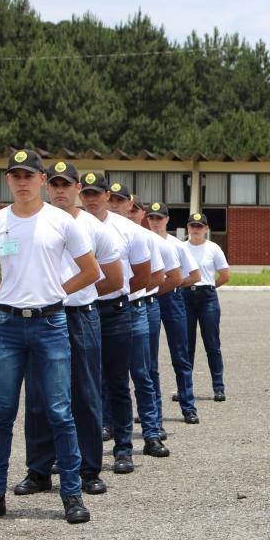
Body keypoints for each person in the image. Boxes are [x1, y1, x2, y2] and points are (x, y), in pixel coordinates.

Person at [0, 149, 99, 524]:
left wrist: (56, 293)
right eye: (16, 175)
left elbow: (90, 271)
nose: (22, 182)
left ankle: (71, 495)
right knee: (3, 413)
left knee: (60, 411)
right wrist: (10, 293)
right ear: (8, 180)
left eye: (29, 176)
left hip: (51, 324)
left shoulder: (61, 221)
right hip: (8, 327)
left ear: (42, 180)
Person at [15, 162, 122, 499]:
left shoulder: (93, 227)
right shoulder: (33, 223)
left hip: (80, 317)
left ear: (78, 188)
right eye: (55, 184)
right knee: (38, 395)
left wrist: (75, 295)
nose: (60, 191)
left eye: (67, 185)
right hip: (41, 318)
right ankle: (39, 470)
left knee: (85, 395)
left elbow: (114, 279)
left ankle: (88, 470)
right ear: (47, 186)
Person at [79, 172, 162, 474]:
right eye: (87, 193)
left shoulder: (129, 230)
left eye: (98, 194)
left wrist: (116, 293)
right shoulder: (70, 225)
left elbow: (143, 276)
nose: (93, 199)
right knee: (84, 385)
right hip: (81, 311)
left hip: (115, 311)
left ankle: (124, 449)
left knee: (118, 382)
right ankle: (83, 452)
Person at [103, 183, 169, 457]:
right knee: (107, 375)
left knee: (142, 373)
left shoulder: (142, 235)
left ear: (130, 204)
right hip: (106, 308)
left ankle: (151, 433)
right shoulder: (95, 230)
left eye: (121, 201)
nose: (116, 205)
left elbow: (158, 276)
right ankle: (108, 424)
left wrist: (123, 291)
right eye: (113, 200)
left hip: (135, 308)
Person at [128, 195, 183, 440]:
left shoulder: (154, 240)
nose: (130, 213)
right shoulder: (105, 232)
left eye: (135, 210)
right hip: (111, 308)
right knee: (110, 372)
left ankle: (154, 422)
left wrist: (144, 293)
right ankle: (109, 422)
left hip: (144, 306)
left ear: (141, 214)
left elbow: (172, 277)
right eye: (127, 208)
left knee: (147, 368)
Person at [145, 202, 201, 424]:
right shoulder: (143, 240)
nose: (155, 222)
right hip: (148, 299)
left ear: (167, 220)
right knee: (148, 358)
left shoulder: (177, 245)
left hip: (171, 299)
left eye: (159, 218)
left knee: (180, 354)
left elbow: (195, 275)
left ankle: (188, 406)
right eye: (151, 218)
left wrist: (172, 285)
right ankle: (151, 410)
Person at [183, 212, 231, 401]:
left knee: (212, 344)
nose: (196, 229)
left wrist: (210, 286)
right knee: (186, 345)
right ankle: (185, 389)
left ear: (206, 229)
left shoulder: (213, 248)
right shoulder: (181, 247)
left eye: (199, 226)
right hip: (186, 296)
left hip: (207, 298)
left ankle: (218, 387)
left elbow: (225, 275)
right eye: (192, 226)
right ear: (188, 228)